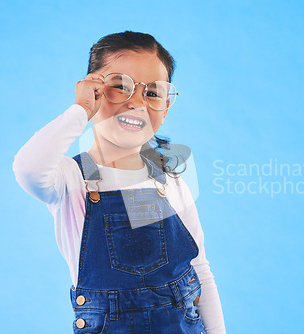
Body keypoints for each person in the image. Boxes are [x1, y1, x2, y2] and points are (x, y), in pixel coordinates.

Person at [12, 31, 226, 334]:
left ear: (165, 107)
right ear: (93, 90)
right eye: (120, 87)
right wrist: (81, 111)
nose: (136, 102)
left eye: (152, 93)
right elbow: (27, 168)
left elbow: (200, 271)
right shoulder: (72, 181)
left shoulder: (171, 181)